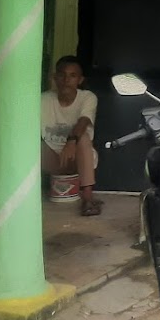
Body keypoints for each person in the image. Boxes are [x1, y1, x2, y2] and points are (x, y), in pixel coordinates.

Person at [40, 56, 102, 216]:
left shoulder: (87, 97)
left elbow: (83, 121)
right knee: (27, 142)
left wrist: (71, 141)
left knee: (83, 138)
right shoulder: (43, 100)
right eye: (62, 75)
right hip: (52, 158)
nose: (66, 80)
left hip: (77, 160)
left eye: (72, 76)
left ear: (80, 80)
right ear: (55, 77)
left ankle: (88, 198)